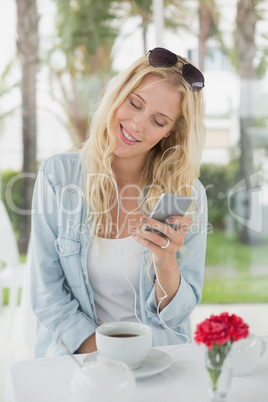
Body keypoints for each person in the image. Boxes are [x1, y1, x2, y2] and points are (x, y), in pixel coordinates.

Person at [31, 47, 208, 358]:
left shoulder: (186, 194)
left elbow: (177, 316)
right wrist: (108, 356)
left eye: (159, 121)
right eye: (134, 103)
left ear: (171, 132)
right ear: (118, 94)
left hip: (157, 358)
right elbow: (47, 295)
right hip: (79, 358)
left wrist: (166, 262)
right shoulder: (58, 177)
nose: (138, 124)